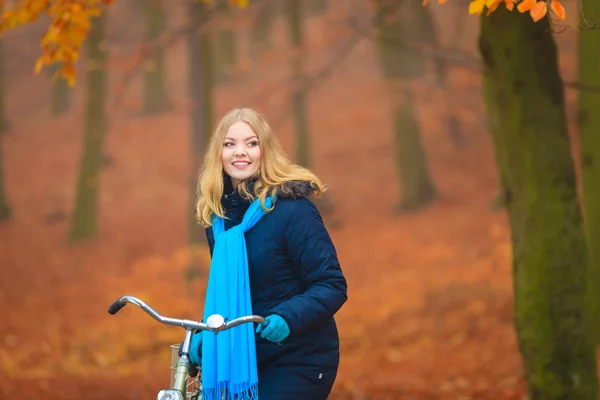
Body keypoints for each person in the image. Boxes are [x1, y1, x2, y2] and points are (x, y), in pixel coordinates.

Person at [189, 107, 348, 400]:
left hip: (300, 357)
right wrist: (206, 333)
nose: (240, 152)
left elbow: (331, 285)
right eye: (229, 144)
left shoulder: (293, 210)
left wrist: (287, 317)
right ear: (218, 154)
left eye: (252, 143)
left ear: (266, 151)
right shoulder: (219, 221)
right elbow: (227, 289)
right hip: (243, 359)